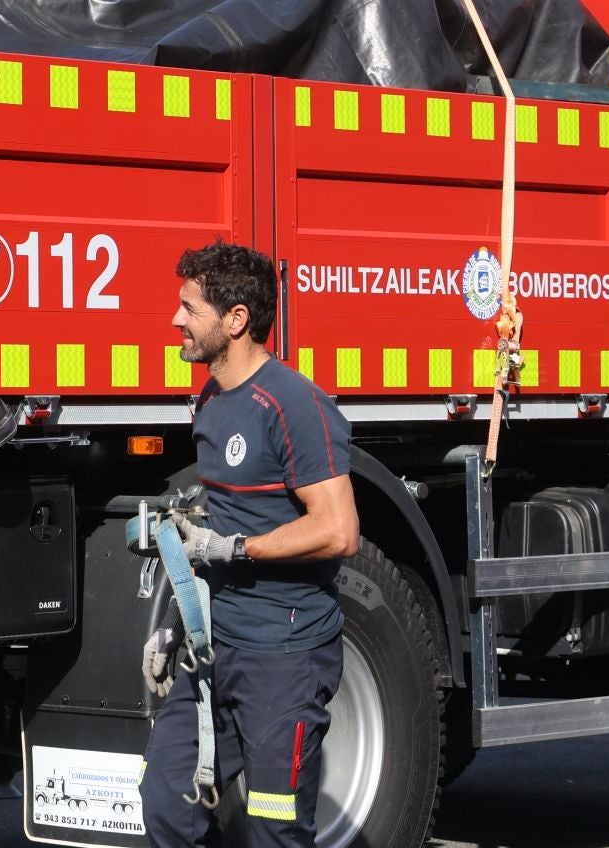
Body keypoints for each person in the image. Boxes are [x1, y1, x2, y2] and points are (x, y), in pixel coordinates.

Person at [139, 241, 359, 847]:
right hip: (216, 648)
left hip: (283, 657)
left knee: (273, 827)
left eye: (190, 308)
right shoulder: (210, 401)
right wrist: (179, 624)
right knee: (166, 802)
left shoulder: (292, 403)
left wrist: (236, 549)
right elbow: (227, 511)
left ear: (236, 320)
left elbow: (339, 530)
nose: (176, 320)